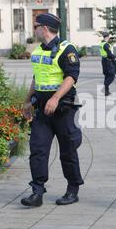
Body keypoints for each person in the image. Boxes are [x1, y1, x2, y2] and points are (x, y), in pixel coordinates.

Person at [21, 13, 84, 208]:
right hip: (42, 111)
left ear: (45, 28)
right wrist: (27, 102)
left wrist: (56, 98)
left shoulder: (67, 49)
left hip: (64, 109)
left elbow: (71, 77)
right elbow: (36, 78)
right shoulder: (38, 52)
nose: (35, 30)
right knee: (38, 150)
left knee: (68, 150)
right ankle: (37, 192)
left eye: (36, 26)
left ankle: (72, 189)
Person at [100, 32, 116, 96]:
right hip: (108, 61)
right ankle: (105, 87)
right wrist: (114, 57)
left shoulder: (101, 44)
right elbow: (109, 53)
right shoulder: (106, 45)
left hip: (104, 60)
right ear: (107, 37)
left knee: (106, 75)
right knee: (112, 75)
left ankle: (106, 91)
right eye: (109, 37)